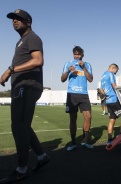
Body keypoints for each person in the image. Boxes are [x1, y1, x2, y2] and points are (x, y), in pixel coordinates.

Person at [0, 9, 50, 183]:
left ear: (28, 22)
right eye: (13, 19)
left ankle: (21, 169)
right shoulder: (21, 41)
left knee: (18, 127)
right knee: (24, 126)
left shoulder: (32, 38)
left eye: (19, 19)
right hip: (20, 87)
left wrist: (10, 69)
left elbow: (38, 60)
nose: (15, 21)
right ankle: (42, 157)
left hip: (27, 87)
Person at [61, 46, 93, 151]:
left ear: (82, 55)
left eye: (78, 54)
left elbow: (90, 79)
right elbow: (62, 79)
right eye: (75, 54)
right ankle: (73, 142)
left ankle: (85, 140)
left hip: (83, 94)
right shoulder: (68, 64)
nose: (76, 56)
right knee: (73, 118)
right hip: (72, 94)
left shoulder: (87, 64)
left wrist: (84, 68)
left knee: (88, 116)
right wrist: (69, 71)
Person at [100, 64, 121, 145]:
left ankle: (109, 140)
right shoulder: (110, 74)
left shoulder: (103, 75)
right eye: (116, 71)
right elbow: (114, 85)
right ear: (113, 68)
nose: (116, 73)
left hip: (108, 101)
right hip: (114, 99)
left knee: (112, 119)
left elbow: (101, 90)